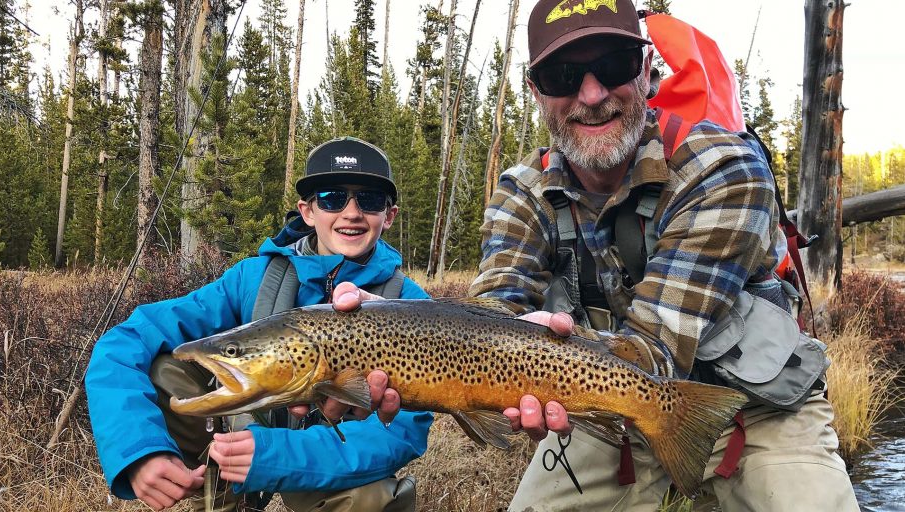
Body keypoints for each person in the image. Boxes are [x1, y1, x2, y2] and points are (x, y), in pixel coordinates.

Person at [468, 1, 860, 510]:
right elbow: (490, 313)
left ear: (646, 69)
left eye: (613, 66)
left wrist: (548, 364)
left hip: (758, 405)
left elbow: (657, 344)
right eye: (563, 75)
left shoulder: (724, 169)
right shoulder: (522, 191)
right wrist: (387, 335)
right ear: (537, 92)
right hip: (609, 403)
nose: (592, 95)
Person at [85, 136, 433, 512]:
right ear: (307, 211)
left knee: (373, 500)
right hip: (246, 430)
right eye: (332, 198)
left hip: (328, 452)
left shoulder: (410, 304)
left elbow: (401, 432)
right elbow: (123, 344)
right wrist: (138, 450)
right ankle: (224, 499)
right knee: (165, 367)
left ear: (389, 215)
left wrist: (274, 456)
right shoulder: (254, 279)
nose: (351, 212)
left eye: (369, 200)